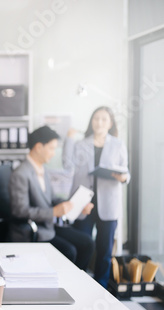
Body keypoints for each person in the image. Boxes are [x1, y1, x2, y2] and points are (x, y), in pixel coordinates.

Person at [9, 125, 94, 270]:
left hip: (47, 225)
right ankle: (66, 284)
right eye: (52, 148)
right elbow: (20, 211)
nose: (54, 153)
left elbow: (52, 198)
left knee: (87, 243)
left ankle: (76, 281)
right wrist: (53, 212)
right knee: (69, 251)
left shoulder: (42, 168)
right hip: (34, 230)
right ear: (38, 147)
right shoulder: (20, 174)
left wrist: (76, 205)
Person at [63, 106, 130, 288]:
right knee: (81, 246)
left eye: (103, 119)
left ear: (110, 123)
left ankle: (100, 288)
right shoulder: (81, 144)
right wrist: (69, 138)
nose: (99, 122)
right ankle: (77, 286)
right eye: (96, 119)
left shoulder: (118, 144)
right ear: (91, 122)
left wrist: (123, 177)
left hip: (108, 204)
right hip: (83, 204)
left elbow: (126, 172)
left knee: (105, 251)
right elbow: (67, 165)